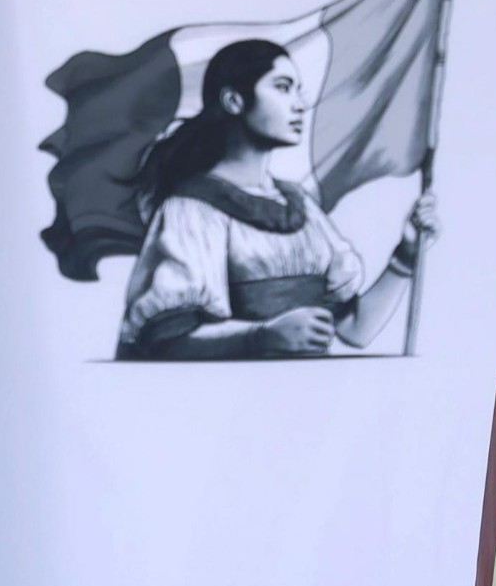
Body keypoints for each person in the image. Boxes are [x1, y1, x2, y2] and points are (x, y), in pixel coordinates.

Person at [117, 40, 438, 359]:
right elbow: (166, 342)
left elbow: (356, 330)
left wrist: (406, 255)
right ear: (233, 100)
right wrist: (260, 336)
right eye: (283, 88)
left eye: (298, 90)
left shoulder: (300, 205)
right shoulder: (191, 209)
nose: (300, 105)